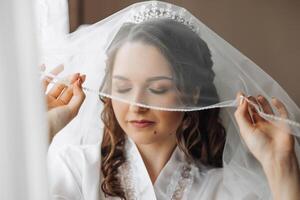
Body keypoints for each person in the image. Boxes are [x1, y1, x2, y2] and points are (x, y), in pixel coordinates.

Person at [45, 1, 300, 200]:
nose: (136, 105)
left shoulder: (226, 189)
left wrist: (281, 162)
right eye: (122, 87)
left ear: (192, 93)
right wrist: (43, 129)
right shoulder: (77, 170)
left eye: (157, 88)